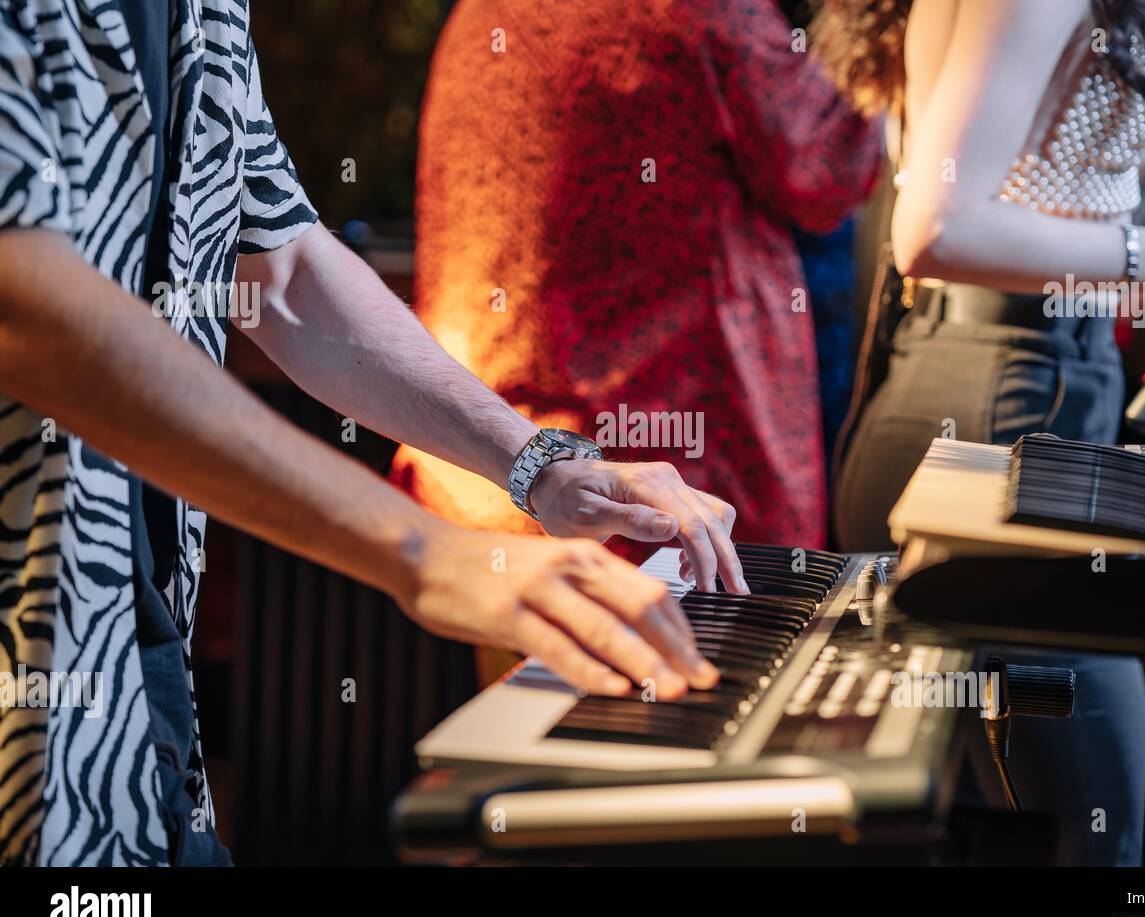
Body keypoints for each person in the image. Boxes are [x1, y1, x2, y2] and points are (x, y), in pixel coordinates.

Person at [0, 0, 740, 866]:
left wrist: (540, 466)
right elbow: (26, 311)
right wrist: (427, 554)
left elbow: (285, 269)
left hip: (125, 671)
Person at [816, 0, 1145, 864]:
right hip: (989, 388)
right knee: (1107, 836)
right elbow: (936, 227)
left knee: (1027, 832)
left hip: (1041, 385)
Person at [390, 0, 883, 569]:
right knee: (718, 659)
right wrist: (872, 27)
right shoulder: (708, 12)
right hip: (663, 493)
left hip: (486, 467)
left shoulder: (477, 16)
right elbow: (826, 171)